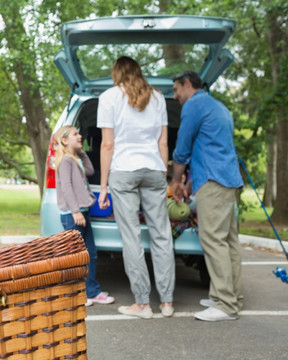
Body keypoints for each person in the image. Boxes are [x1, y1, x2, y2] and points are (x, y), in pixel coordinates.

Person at [97, 56, 175, 319]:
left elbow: (107, 145)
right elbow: (163, 143)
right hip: (153, 169)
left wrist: (104, 186)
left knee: (131, 237)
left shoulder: (108, 97)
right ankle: (167, 302)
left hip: (124, 170)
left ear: (116, 73)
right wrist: (163, 176)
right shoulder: (158, 97)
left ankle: (142, 304)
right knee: (162, 236)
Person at [171, 70, 244, 321]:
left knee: (213, 239)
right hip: (228, 179)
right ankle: (229, 296)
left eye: (176, 90)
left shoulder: (194, 105)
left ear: (187, 84)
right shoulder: (219, 107)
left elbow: (183, 148)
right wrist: (190, 184)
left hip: (214, 181)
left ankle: (225, 305)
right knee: (228, 240)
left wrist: (175, 180)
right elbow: (206, 150)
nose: (175, 95)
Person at [54, 125, 115, 307]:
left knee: (90, 254)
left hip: (82, 212)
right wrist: (75, 211)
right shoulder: (65, 161)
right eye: (75, 134)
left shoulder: (75, 159)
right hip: (73, 214)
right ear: (65, 141)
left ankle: (92, 292)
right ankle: (77, 293)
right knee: (76, 257)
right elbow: (66, 187)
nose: (79, 136)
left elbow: (89, 171)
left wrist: (82, 153)